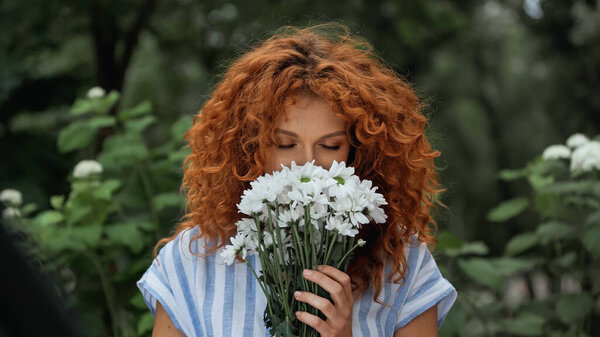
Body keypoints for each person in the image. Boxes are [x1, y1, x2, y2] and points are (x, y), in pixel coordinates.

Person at [137, 23, 456, 337]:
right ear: (251, 149)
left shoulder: (403, 264)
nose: (307, 166)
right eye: (285, 144)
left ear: (357, 153)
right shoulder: (191, 263)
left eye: (330, 145)